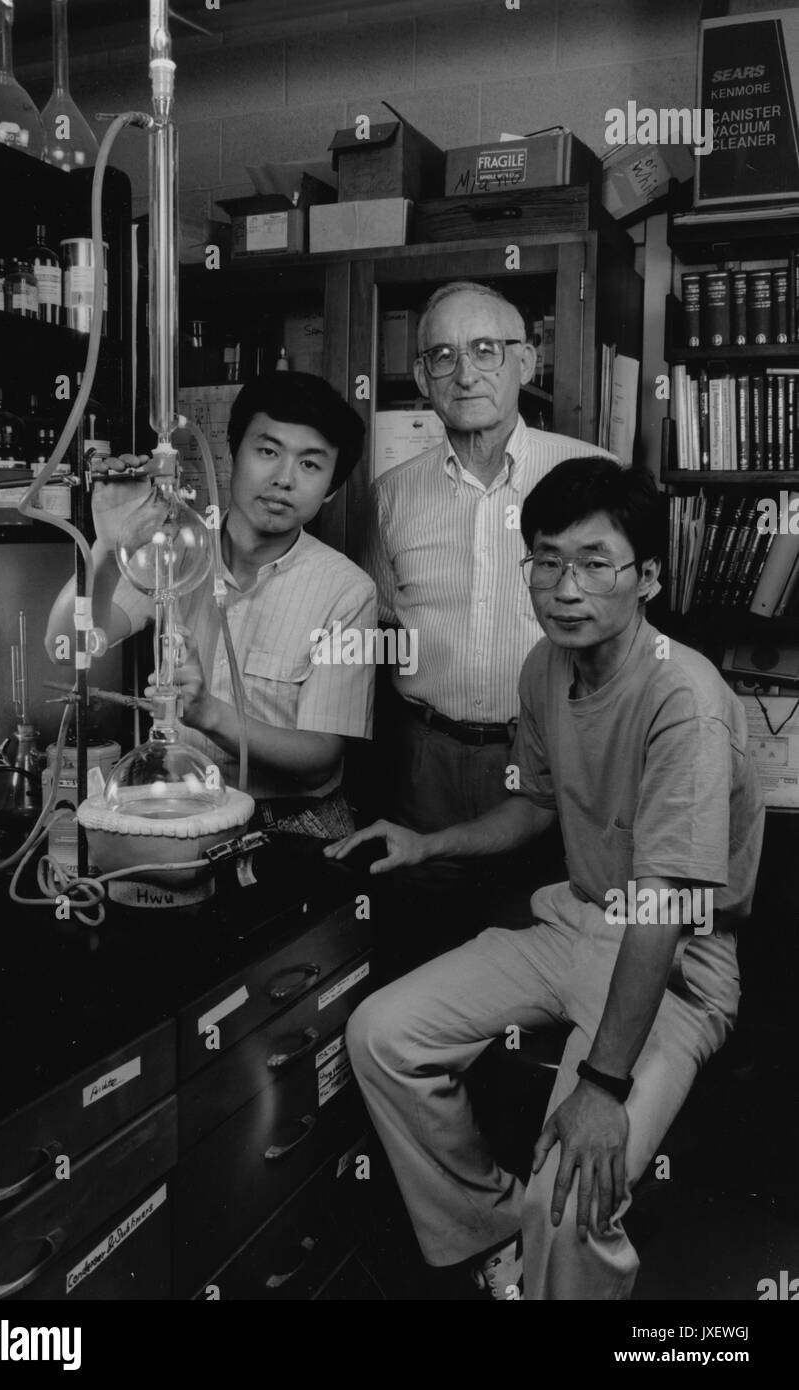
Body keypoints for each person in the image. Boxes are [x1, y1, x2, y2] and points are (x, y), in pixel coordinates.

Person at [329, 458, 764, 1300]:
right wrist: (429, 843)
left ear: (647, 577)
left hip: (675, 963)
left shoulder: (684, 698)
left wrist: (602, 1090)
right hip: (578, 919)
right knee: (382, 1034)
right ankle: (495, 1230)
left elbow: (665, 910)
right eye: (545, 560)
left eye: (595, 563)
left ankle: (550, 1252)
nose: (565, 588)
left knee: (571, 1194)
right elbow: (534, 803)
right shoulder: (545, 666)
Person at [363, 280, 618, 963]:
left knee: (550, 954)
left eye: (485, 349)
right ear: (420, 375)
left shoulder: (592, 477)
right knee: (421, 954)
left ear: (525, 362)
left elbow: (625, 637)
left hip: (554, 759)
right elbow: (385, 626)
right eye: (441, 356)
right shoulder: (391, 495)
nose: (465, 371)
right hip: (426, 761)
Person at [45, 372, 376, 838]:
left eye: (310, 465)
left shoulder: (347, 590)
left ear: (332, 488)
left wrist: (209, 714)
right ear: (232, 453)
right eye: (267, 451)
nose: (283, 479)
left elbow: (321, 759)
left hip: (294, 823)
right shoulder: (176, 546)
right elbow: (64, 645)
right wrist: (108, 544)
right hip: (182, 812)